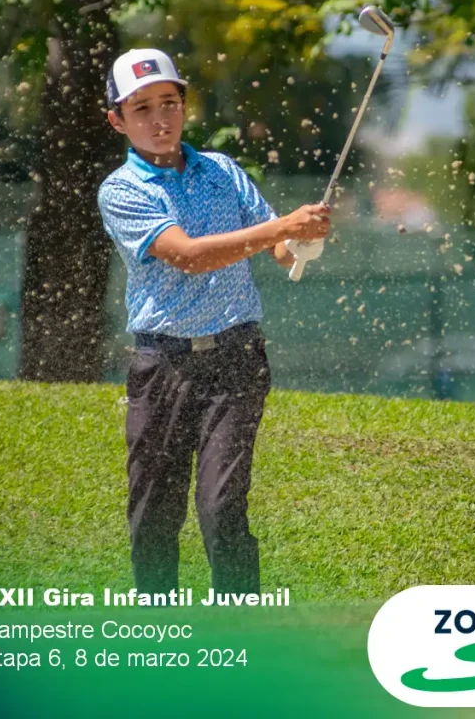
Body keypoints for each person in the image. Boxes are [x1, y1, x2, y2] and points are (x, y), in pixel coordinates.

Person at [97, 47, 330, 596]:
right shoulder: (121, 190)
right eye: (142, 108)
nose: (160, 118)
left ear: (184, 106)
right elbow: (190, 255)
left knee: (222, 507)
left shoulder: (222, 171)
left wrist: (304, 238)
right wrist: (281, 229)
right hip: (163, 366)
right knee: (154, 514)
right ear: (117, 120)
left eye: (169, 103)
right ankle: (158, 631)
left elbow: (279, 250)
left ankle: (239, 630)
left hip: (237, 360)